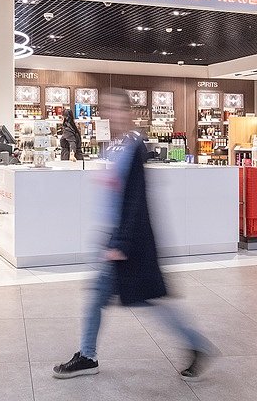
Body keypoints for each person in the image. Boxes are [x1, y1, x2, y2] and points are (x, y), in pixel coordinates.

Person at [53, 89, 211, 382]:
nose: (111, 115)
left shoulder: (135, 148)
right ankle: (88, 355)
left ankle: (194, 344)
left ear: (128, 112)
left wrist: (121, 243)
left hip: (128, 242)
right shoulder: (118, 146)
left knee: (144, 300)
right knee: (112, 298)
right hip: (117, 237)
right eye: (107, 109)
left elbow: (137, 200)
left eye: (116, 109)